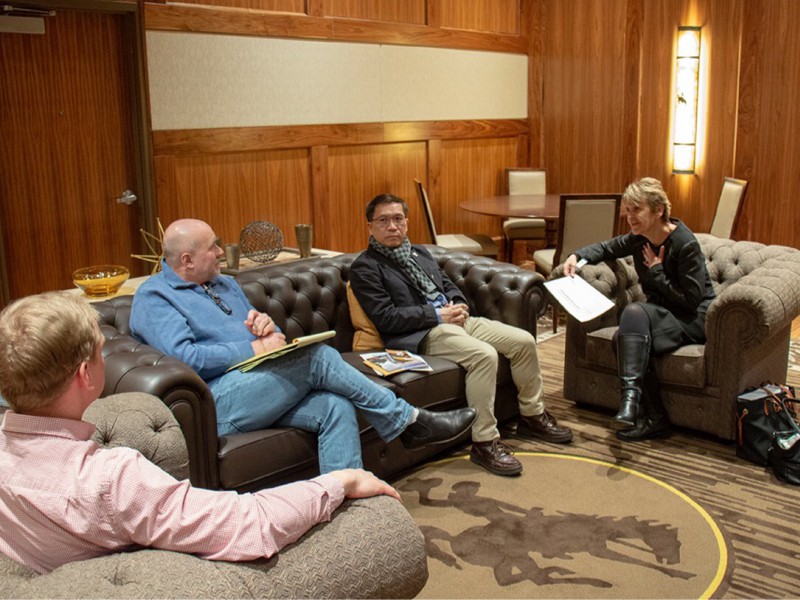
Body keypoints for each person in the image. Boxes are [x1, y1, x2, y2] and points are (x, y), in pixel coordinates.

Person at [0, 291, 404, 574]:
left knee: (332, 402)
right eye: (99, 350)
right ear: (86, 375)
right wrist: (340, 482)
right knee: (319, 358)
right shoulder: (113, 479)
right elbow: (248, 524)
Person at [129, 219, 475, 474]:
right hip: (215, 402)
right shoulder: (154, 297)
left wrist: (267, 327)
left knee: (335, 406)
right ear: (187, 260)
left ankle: (353, 510)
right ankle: (408, 421)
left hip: (260, 386)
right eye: (212, 247)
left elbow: (270, 337)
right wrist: (253, 349)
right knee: (317, 357)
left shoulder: (224, 284)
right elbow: (185, 359)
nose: (221, 252)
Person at [349, 194, 573, 478]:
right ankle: (484, 442)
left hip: (456, 320)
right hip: (421, 332)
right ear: (370, 227)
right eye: (383, 220)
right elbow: (387, 318)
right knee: (483, 355)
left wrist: (458, 304)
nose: (392, 226)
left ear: (406, 222)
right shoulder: (366, 267)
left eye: (397, 219)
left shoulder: (419, 253)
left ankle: (532, 415)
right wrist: (437, 315)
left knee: (523, 342)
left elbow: (447, 284)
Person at [562, 177, 716, 441]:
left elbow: (691, 299)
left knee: (633, 312)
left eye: (637, 209)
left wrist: (657, 273)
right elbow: (606, 248)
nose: (630, 216)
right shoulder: (638, 239)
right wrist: (576, 256)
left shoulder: (684, 243)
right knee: (623, 338)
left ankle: (630, 402)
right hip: (660, 314)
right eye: (628, 209)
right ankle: (654, 418)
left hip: (690, 318)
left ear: (658, 210)